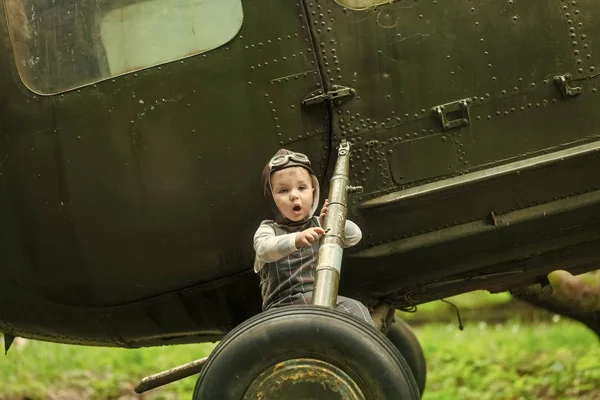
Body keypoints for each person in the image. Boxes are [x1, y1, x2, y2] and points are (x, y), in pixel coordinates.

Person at [253, 149, 374, 326]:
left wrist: (331, 222)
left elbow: (355, 236)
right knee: (351, 310)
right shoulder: (268, 229)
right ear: (272, 199)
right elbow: (264, 249)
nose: (294, 195)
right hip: (282, 307)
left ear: (313, 192)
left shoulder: (319, 224)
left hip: (321, 298)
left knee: (356, 309)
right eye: (283, 190)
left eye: (302, 188)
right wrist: (296, 240)